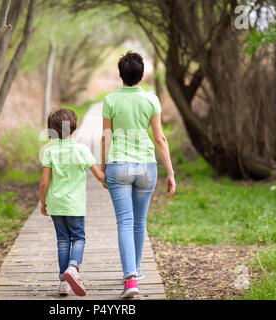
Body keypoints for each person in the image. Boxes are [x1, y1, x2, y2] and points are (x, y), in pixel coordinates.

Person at [101, 51, 176, 298]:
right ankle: (136, 270)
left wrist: (103, 168)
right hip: (146, 166)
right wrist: (170, 172)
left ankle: (130, 279)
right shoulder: (151, 100)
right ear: (142, 75)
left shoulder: (110, 100)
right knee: (139, 221)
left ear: (120, 75)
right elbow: (159, 138)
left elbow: (106, 137)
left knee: (124, 221)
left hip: (118, 166)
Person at [39, 109, 106, 296]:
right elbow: (99, 176)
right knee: (78, 237)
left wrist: (42, 202)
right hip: (75, 205)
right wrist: (109, 182)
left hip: (56, 204)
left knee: (62, 240)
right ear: (74, 128)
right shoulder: (82, 150)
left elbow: (44, 182)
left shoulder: (49, 152)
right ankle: (73, 268)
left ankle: (63, 282)